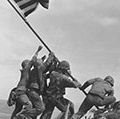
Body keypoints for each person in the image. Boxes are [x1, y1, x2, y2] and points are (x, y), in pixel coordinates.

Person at [19, 51, 56, 119]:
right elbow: (46, 65)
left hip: (33, 91)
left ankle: (26, 115)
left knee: (35, 108)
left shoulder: (36, 71)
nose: (42, 64)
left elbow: (46, 71)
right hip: (34, 92)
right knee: (41, 108)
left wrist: (53, 63)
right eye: (41, 63)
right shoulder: (38, 69)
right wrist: (51, 56)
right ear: (39, 64)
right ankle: (23, 114)